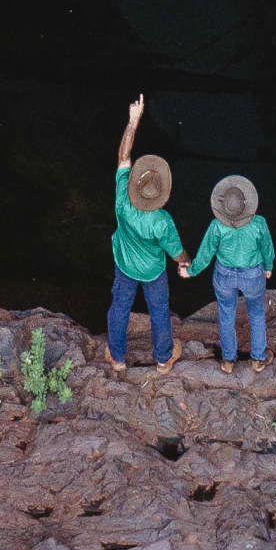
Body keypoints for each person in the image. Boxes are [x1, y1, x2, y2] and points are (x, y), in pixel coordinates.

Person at [106, 94, 183, 368]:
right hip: (153, 271)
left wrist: (133, 121)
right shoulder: (161, 220)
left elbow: (123, 155)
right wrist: (185, 262)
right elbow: (176, 253)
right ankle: (163, 360)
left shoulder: (122, 200)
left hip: (125, 264)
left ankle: (117, 359)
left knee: (119, 309)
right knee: (159, 312)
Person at [184, 175, 274, 364]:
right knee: (257, 313)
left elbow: (205, 253)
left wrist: (190, 270)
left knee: (226, 315)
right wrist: (268, 266)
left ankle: (228, 361)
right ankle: (258, 359)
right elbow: (267, 248)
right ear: (246, 204)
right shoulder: (258, 223)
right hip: (252, 273)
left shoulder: (217, 226)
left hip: (224, 274)